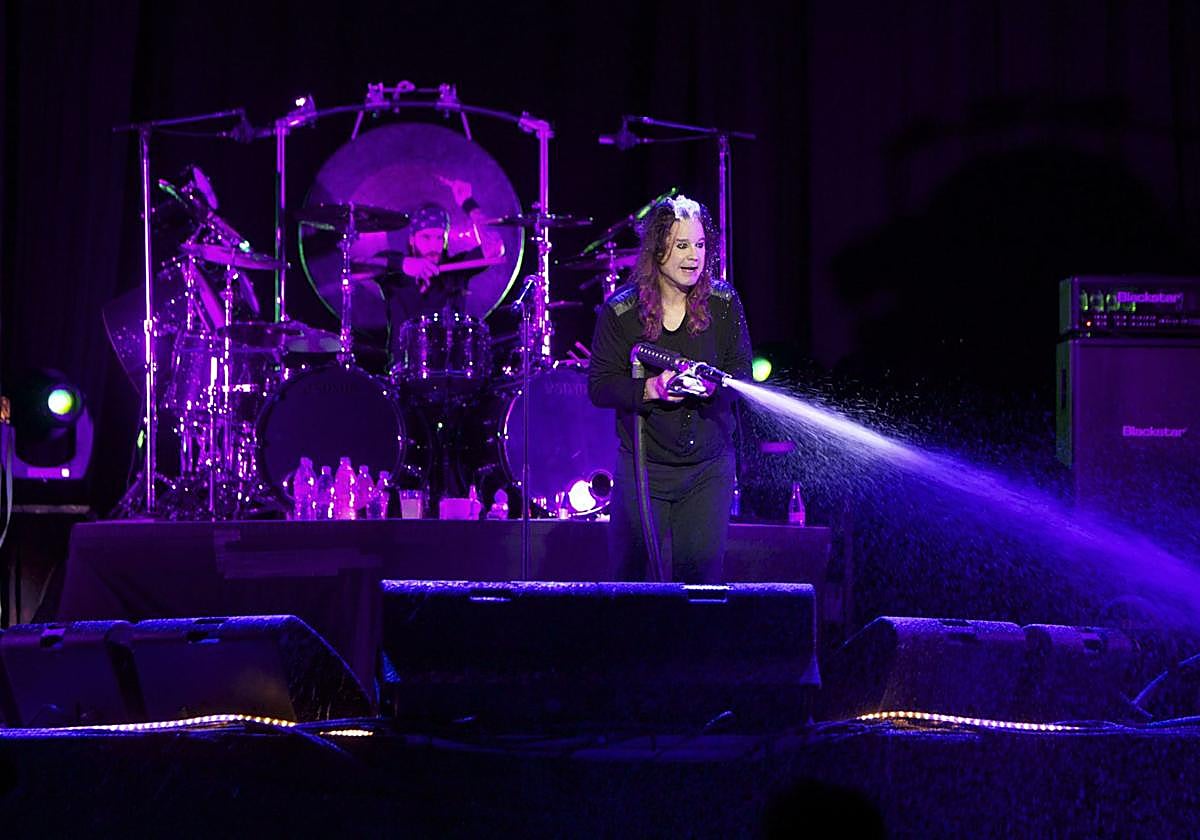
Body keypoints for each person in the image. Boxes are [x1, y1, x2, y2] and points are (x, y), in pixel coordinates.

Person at [588, 194, 752, 584]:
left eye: (699, 245)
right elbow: (599, 386)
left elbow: (741, 374)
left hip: (708, 470)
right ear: (657, 248)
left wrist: (715, 386)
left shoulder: (724, 303)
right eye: (682, 245)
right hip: (643, 470)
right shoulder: (622, 311)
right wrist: (652, 389)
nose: (693, 255)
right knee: (630, 585)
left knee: (700, 587)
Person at [377, 176, 503, 354]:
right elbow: (355, 267)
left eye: (439, 238)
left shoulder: (457, 267)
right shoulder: (394, 267)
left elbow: (495, 248)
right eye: (426, 237)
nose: (434, 245)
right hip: (402, 373)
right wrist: (402, 263)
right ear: (412, 240)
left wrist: (468, 204)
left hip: (452, 372)